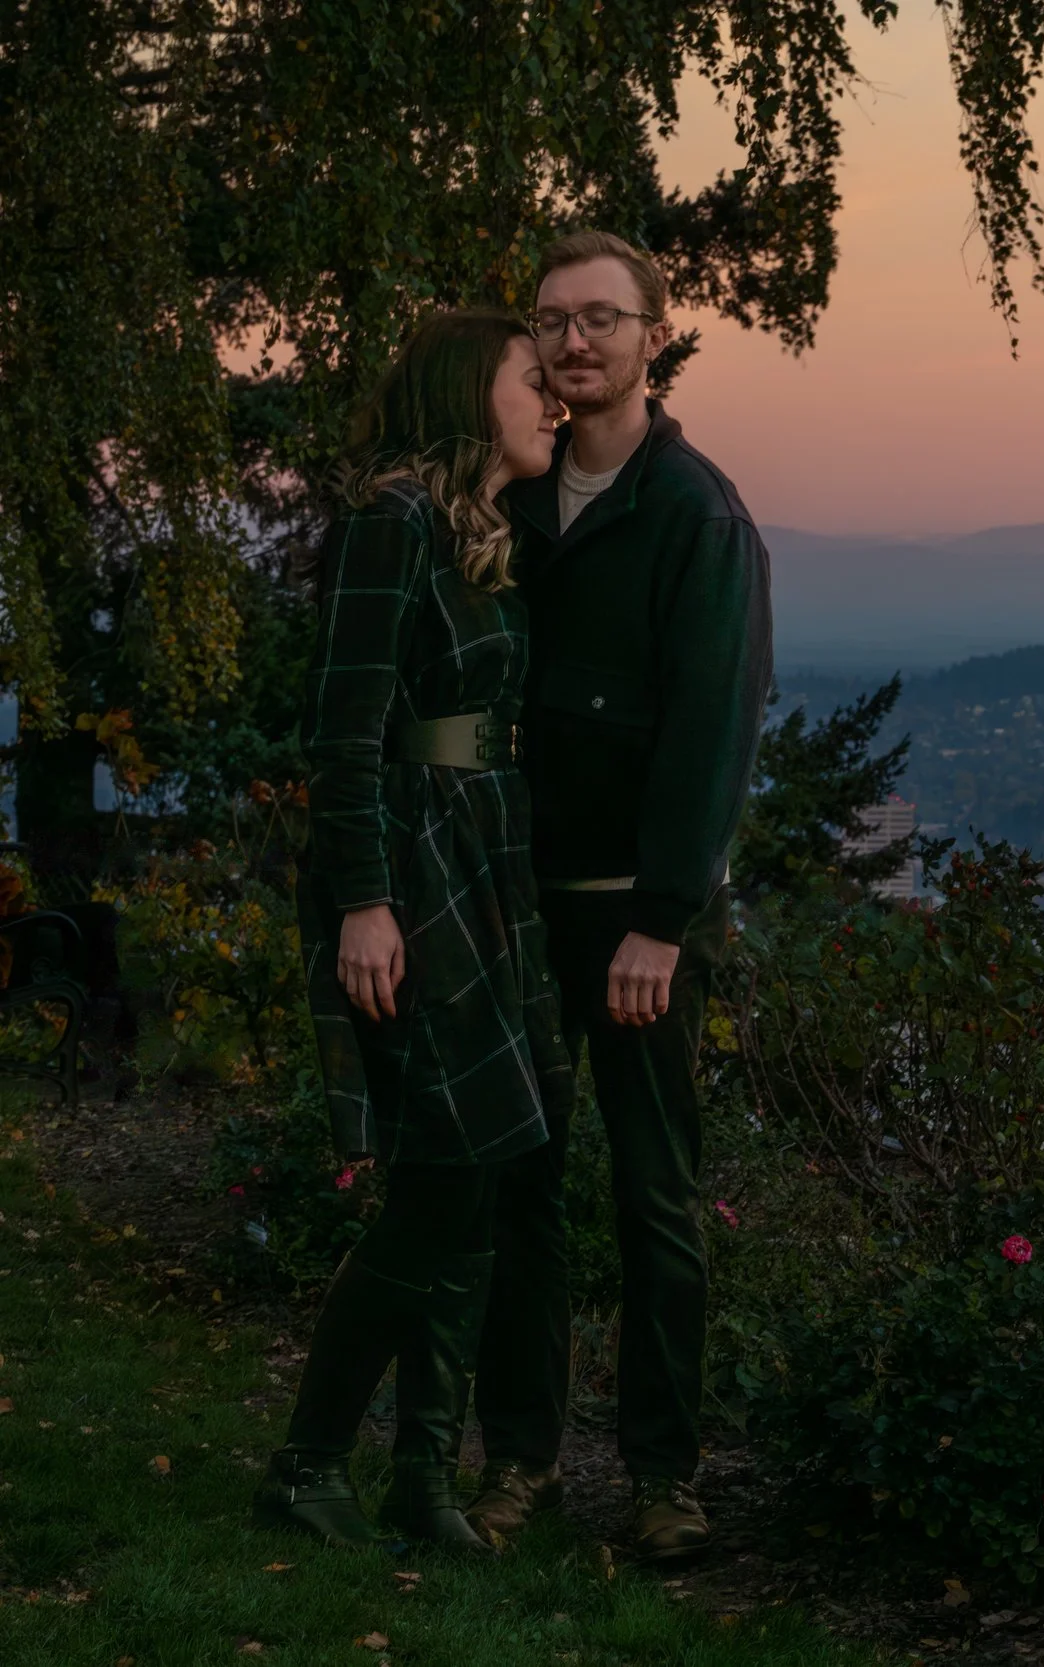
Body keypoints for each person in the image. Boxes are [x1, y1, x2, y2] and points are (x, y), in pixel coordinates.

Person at [465, 231, 772, 1563]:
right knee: (518, 1190)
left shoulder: (695, 513)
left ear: (658, 333)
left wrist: (662, 914)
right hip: (513, 906)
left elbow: (712, 726)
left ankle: (663, 1475)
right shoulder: (506, 505)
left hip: (634, 919)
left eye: (603, 317)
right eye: (552, 320)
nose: (575, 340)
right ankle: (519, 1458)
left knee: (653, 1196)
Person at [255, 310, 573, 1550]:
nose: (550, 399)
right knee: (442, 1177)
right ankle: (306, 1461)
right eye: (529, 381)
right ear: (465, 393)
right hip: (416, 869)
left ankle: (423, 1482)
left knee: (478, 1173)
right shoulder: (390, 521)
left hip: (486, 860)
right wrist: (366, 901)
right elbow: (343, 731)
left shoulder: (471, 534)